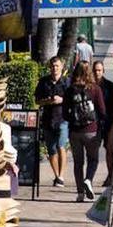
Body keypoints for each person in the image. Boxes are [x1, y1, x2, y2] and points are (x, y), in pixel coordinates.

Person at [66, 60, 105, 202]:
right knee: (93, 159)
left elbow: (65, 112)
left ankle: (80, 193)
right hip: (92, 131)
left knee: (78, 162)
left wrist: (72, 121)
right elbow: (102, 111)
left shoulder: (71, 90)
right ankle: (88, 179)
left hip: (75, 131)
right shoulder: (95, 89)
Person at [35, 55, 70, 188]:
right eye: (53, 66)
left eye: (57, 66)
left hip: (62, 119)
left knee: (61, 146)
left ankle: (61, 176)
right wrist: (48, 101)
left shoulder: (66, 82)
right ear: (49, 67)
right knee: (51, 150)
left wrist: (62, 100)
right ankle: (56, 176)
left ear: (61, 67)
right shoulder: (44, 82)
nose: (55, 68)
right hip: (48, 120)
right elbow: (37, 100)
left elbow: (72, 100)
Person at [92, 58, 113, 185]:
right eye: (95, 70)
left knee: (110, 151)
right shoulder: (89, 87)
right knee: (93, 152)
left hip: (109, 123)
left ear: (103, 71)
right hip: (94, 124)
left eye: (99, 70)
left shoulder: (111, 87)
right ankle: (90, 177)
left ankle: (111, 176)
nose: (97, 73)